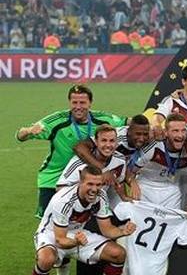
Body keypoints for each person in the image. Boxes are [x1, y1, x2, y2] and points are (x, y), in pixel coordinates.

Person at [21, 166, 135, 275]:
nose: (94, 189)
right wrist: (76, 241)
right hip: (51, 234)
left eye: (98, 184)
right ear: (80, 182)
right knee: (46, 259)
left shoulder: (101, 197)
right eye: (90, 184)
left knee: (118, 253)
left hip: (77, 234)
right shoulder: (65, 200)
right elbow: (60, 240)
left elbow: (107, 229)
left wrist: (123, 231)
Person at [15, 84, 127, 218]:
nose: (78, 106)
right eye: (74, 102)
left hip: (86, 179)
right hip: (54, 178)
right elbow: (20, 136)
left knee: (83, 223)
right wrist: (28, 131)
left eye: (82, 102)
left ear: (90, 103)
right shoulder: (57, 121)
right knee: (49, 223)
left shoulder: (102, 119)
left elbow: (128, 123)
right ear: (69, 102)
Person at [130, 114, 187, 217]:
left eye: (183, 131)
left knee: (172, 222)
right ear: (166, 133)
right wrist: (132, 182)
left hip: (172, 189)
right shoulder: (153, 148)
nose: (180, 135)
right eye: (175, 131)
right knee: (141, 219)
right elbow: (131, 171)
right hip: (146, 186)